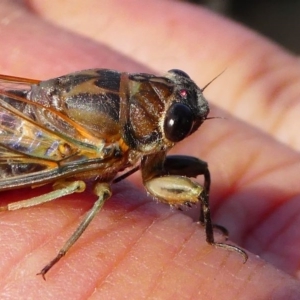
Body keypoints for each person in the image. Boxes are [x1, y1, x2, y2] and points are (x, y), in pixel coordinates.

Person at [0, 0, 299, 298]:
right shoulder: (112, 143)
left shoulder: (141, 131)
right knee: (97, 195)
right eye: (179, 124)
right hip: (29, 144)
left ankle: (209, 236)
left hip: (32, 107)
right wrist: (59, 251)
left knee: (201, 171)